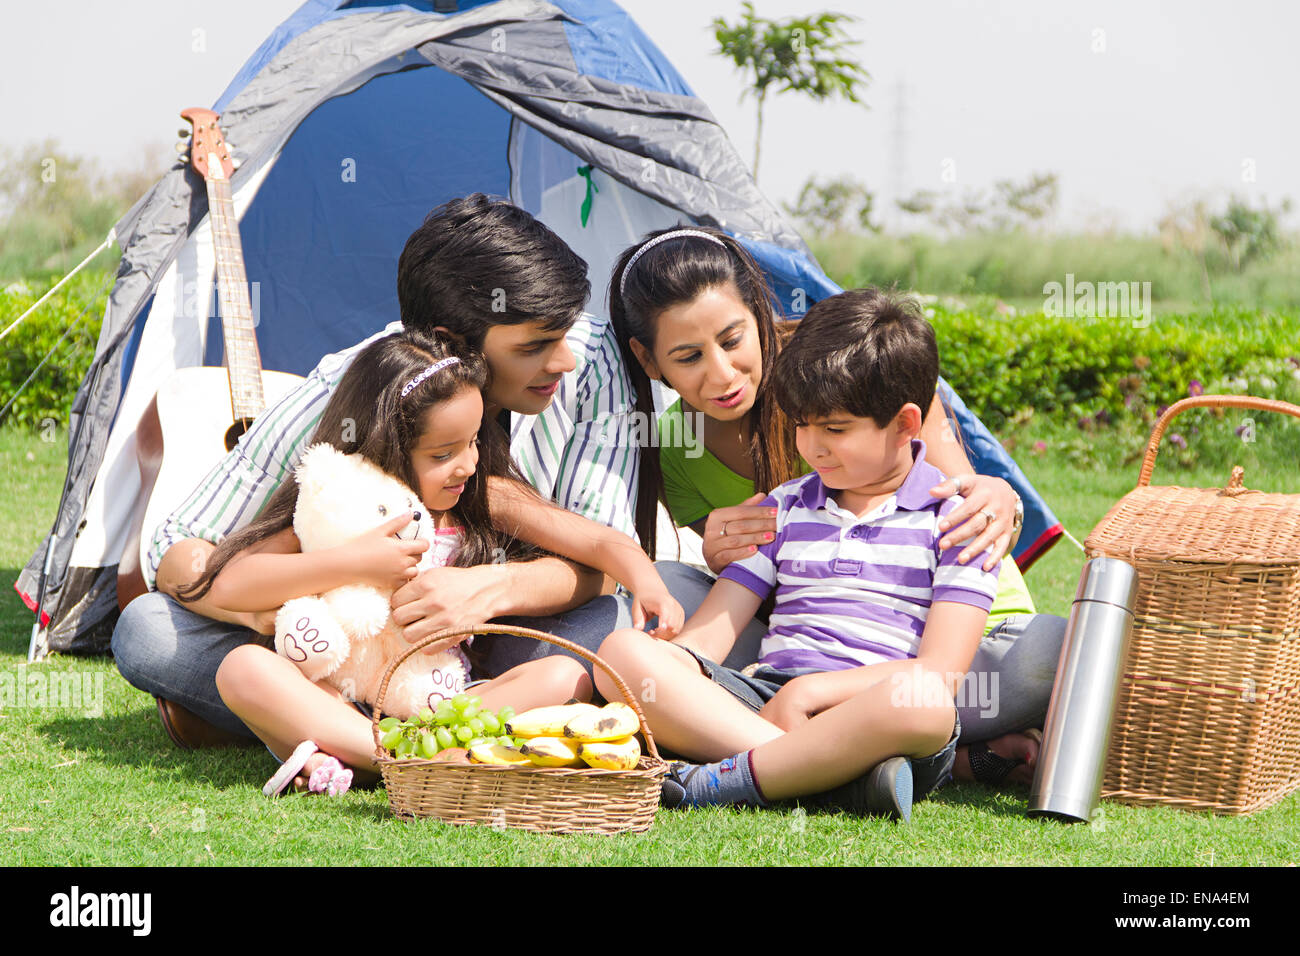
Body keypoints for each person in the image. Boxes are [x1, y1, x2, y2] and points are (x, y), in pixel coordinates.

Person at [112, 194, 645, 750]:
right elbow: (177, 549)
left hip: (496, 643)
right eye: (536, 347)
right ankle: (410, 737)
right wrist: (265, 608)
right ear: (452, 344)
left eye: (564, 334)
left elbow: (604, 563)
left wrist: (491, 590)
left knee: (606, 631)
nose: (564, 360)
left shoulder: (592, 368)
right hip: (335, 650)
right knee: (148, 630)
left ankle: (319, 729)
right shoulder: (354, 387)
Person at [607, 227, 1065, 786]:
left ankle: (763, 763)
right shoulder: (776, 502)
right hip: (785, 669)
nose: (722, 373)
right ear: (648, 359)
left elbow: (938, 668)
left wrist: (999, 493)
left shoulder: (852, 363)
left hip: (935, 661)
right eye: (687, 355)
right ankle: (835, 771)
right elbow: (715, 633)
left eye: (731, 340)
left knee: (967, 684)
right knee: (627, 651)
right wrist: (668, 662)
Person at [181, 329, 682, 793]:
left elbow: (600, 542)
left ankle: (380, 754)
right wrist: (353, 562)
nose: (466, 463)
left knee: (562, 675)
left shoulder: (481, 497)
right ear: (383, 447)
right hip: (336, 699)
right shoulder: (341, 506)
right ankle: (401, 758)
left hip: (437, 704)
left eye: (473, 443)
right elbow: (228, 586)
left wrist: (646, 582)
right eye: (442, 453)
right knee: (243, 668)